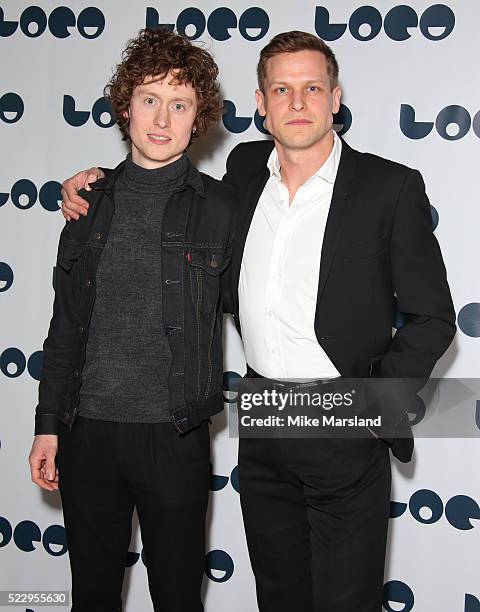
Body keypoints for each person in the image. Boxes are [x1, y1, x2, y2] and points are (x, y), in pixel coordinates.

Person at [60, 30, 456, 612]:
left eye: (312, 88)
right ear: (262, 104)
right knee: (279, 595)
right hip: (265, 417)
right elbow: (160, 190)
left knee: (347, 600)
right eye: (282, 90)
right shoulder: (244, 173)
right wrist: (88, 183)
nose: (297, 103)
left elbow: (433, 317)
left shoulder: (387, 186)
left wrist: (369, 406)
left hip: (342, 418)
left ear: (336, 98)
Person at [28, 28, 236, 612]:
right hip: (86, 431)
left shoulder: (222, 207)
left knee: (177, 598)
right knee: (91, 597)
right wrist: (48, 424)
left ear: (200, 118)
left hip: (175, 435)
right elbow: (65, 326)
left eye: (180, 103)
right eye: (149, 98)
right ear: (125, 106)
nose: (163, 118)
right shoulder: (88, 203)